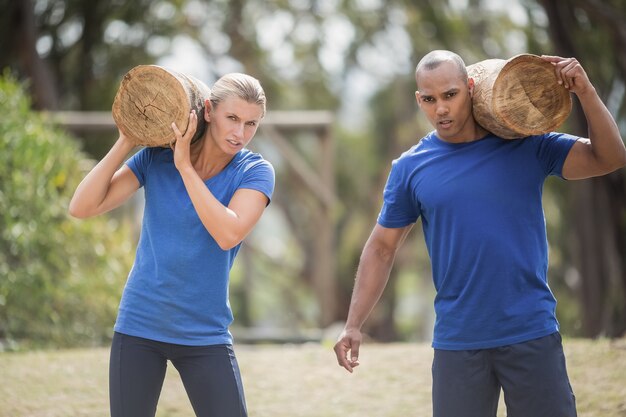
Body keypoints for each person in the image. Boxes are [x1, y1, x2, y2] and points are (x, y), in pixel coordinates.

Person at [334, 50, 626, 417]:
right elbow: (381, 248)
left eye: (450, 95)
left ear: (470, 88)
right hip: (459, 342)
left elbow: (610, 157)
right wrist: (353, 324)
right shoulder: (410, 167)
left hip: (530, 331)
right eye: (429, 99)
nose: (440, 108)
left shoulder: (528, 144)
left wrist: (585, 91)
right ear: (418, 99)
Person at [69, 73, 274, 417]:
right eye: (233, 119)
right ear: (208, 111)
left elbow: (227, 233)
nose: (240, 133)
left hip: (204, 333)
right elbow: (82, 206)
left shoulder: (255, 171)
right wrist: (126, 140)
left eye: (251, 123)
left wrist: (185, 168)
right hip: (139, 326)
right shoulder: (155, 158)